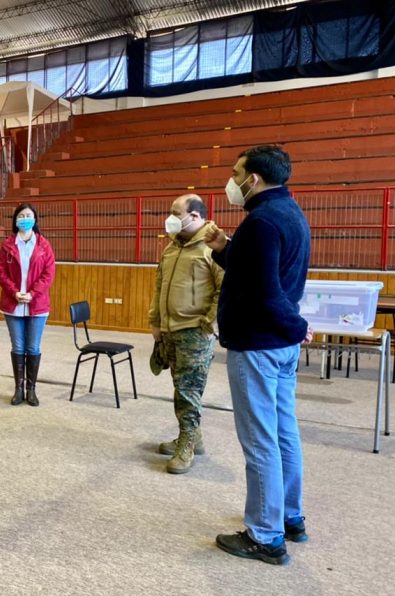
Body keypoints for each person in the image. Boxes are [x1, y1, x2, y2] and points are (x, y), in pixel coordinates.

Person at [204, 145, 313, 565]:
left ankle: (265, 536)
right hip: (278, 345)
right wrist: (222, 246)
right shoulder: (288, 213)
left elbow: (265, 292)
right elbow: (256, 270)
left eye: (236, 173)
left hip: (259, 345)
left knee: (259, 440)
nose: (231, 180)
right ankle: (289, 516)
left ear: (253, 179)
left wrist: (297, 327)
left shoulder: (261, 223)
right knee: (284, 431)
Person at [149, 194, 223, 474]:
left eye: (175, 212)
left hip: (195, 332)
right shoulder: (171, 248)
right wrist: (156, 322)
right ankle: (193, 436)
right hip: (170, 330)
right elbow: (159, 286)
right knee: (180, 386)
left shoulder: (213, 247)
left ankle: (187, 445)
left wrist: (209, 325)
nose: (169, 217)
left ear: (195, 216)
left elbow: (224, 290)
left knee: (187, 391)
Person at [0, 203, 56, 406]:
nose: (25, 218)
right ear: (15, 220)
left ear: (35, 219)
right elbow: (0, 273)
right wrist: (14, 292)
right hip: (13, 304)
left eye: (29, 215)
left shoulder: (44, 246)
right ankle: (18, 389)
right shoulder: (7, 245)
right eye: (21, 215)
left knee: (33, 347)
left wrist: (32, 294)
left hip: (37, 304)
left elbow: (48, 274)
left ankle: (32, 389)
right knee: (18, 346)